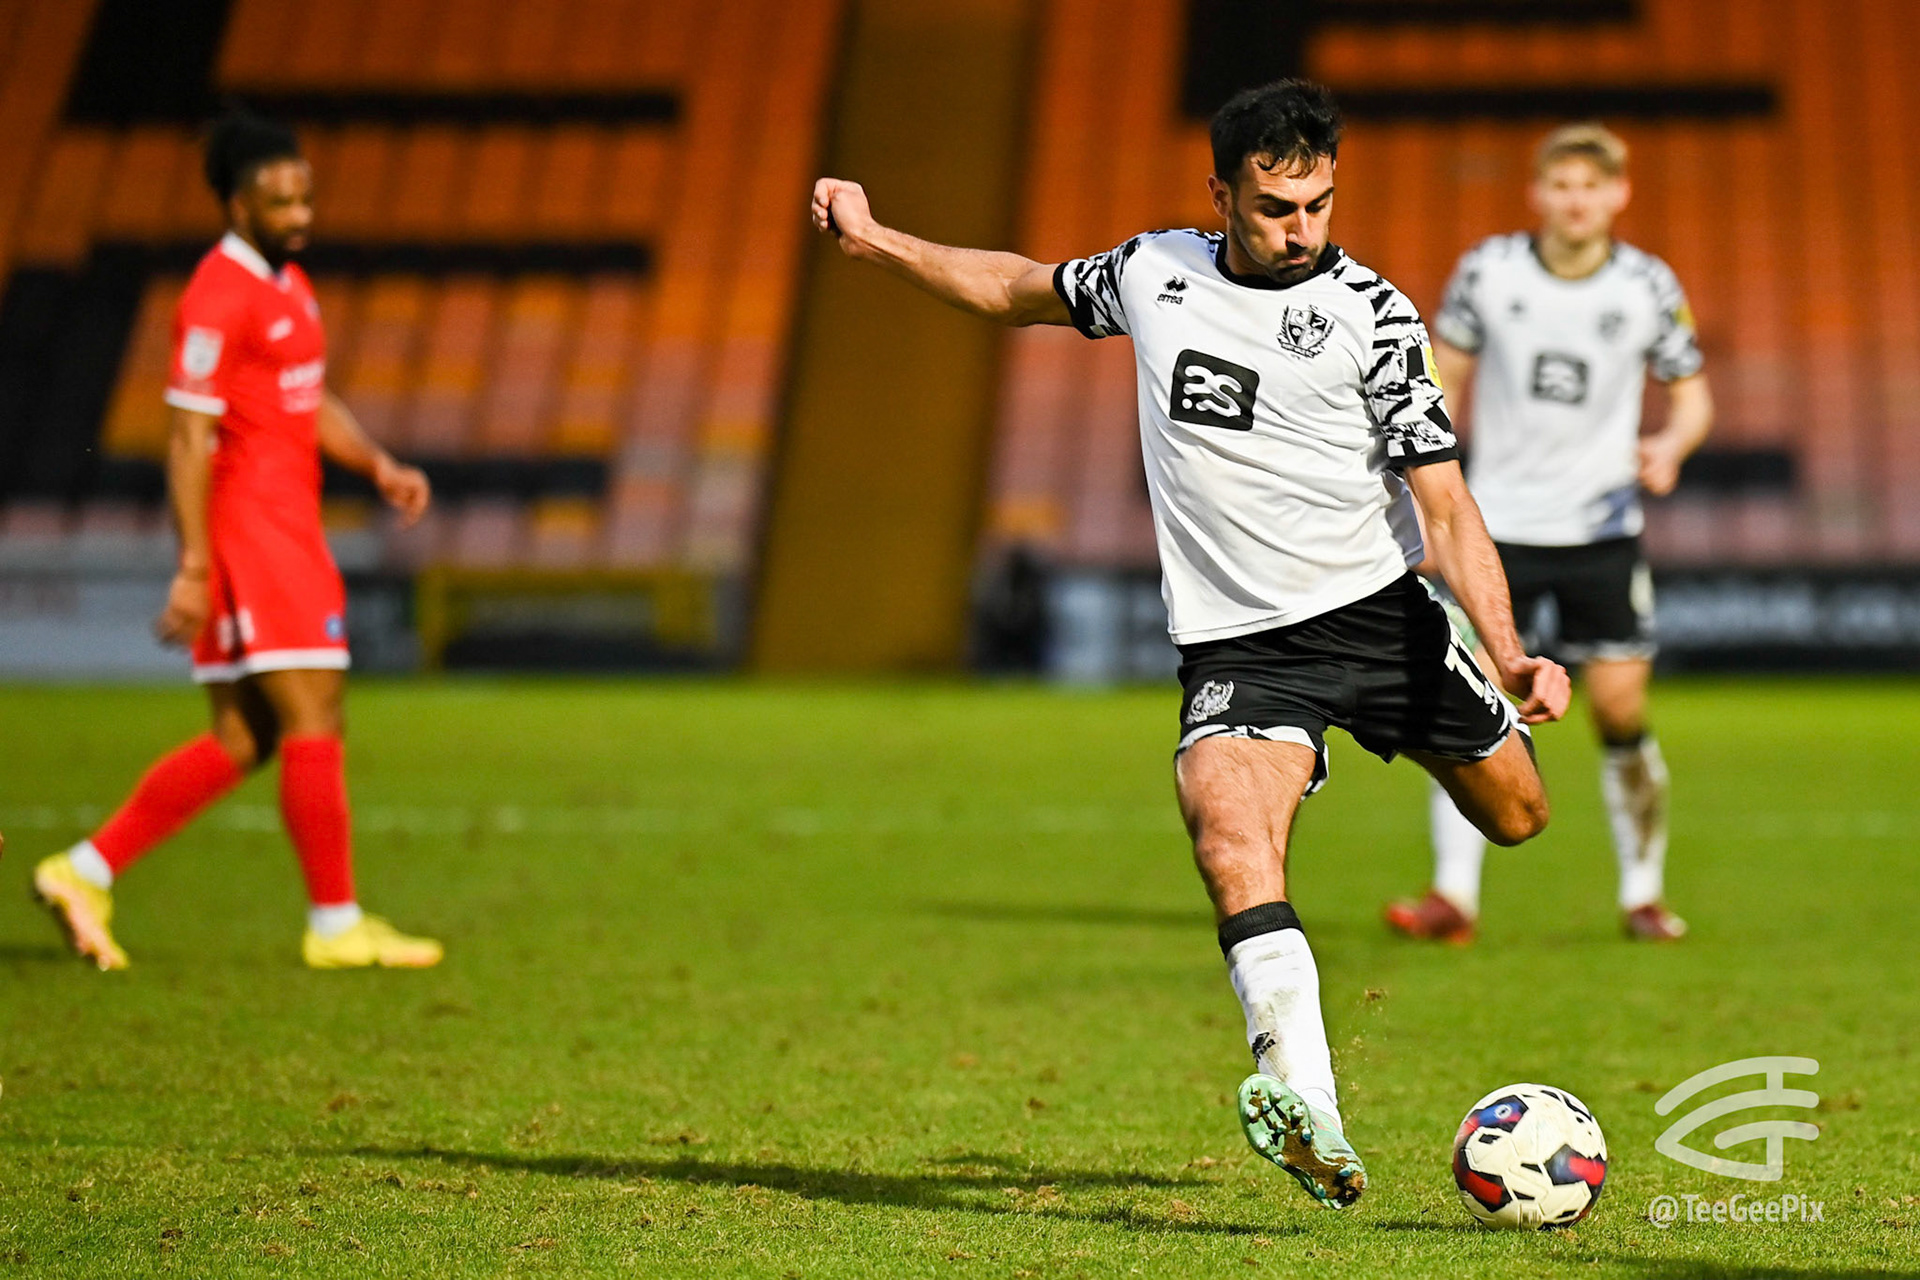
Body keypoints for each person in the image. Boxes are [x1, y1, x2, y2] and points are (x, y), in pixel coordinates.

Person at [811, 79, 1569, 1208]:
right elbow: (1016, 287)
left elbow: (1446, 504)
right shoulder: (1152, 273)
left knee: (1518, 815)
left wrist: (1506, 650)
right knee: (1228, 839)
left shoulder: (1375, 315)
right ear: (1220, 196)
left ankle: (1455, 697)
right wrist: (878, 243)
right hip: (1240, 645)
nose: (1301, 229)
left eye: (1317, 204)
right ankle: (1310, 1104)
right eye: (1274, 207)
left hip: (1379, 615)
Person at [32, 111, 443, 971]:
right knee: (315, 710)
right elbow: (187, 438)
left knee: (245, 738)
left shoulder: (288, 284)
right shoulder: (216, 297)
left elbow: (306, 396)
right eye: (280, 202)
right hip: (255, 534)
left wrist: (378, 462)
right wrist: (193, 567)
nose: (300, 216)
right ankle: (336, 925)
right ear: (236, 204)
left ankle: (83, 871)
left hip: (286, 525)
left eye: (306, 199)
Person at [1384, 123, 1712, 946]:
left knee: (1619, 711)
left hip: (1603, 529)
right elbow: (1439, 382)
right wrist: (1432, 497)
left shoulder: (1646, 285)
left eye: (1591, 187)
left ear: (1619, 194)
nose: (1576, 201)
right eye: (1562, 185)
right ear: (1537, 193)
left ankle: (1643, 895)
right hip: (1498, 528)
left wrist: (1671, 445)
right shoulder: (1489, 272)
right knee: (1473, 706)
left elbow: (1693, 396)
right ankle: (1453, 897)